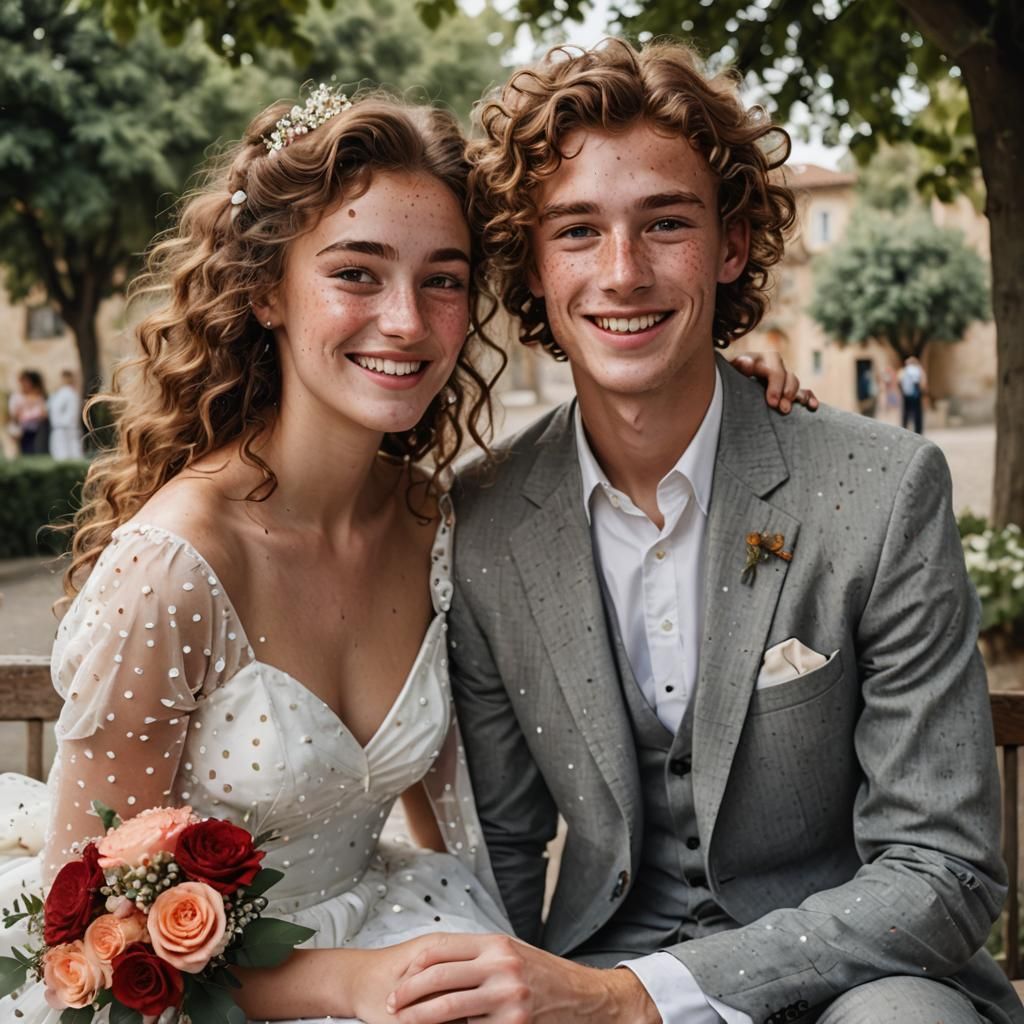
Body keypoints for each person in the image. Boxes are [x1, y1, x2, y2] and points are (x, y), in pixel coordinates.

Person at [0, 84, 806, 1024]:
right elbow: (85, 933)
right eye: (356, 273)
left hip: (404, 933)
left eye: (444, 279)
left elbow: (464, 838)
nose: (407, 322)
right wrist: (347, 984)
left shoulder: (435, 521)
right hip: (196, 1000)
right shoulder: (175, 567)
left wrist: (723, 388)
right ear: (267, 290)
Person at [384, 39, 1024, 1024]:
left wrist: (636, 995)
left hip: (856, 979)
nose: (623, 272)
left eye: (665, 223)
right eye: (577, 232)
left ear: (729, 246)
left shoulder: (881, 488)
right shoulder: (487, 521)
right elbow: (500, 850)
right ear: (532, 262)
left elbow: (941, 867)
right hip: (589, 971)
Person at [8, 370, 49, 455]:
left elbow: (43, 413)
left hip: (35, 429)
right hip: (21, 431)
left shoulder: (38, 397)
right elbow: (14, 415)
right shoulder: (16, 397)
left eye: (27, 382)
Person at [47, 370, 84, 460]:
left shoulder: (69, 393)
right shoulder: (60, 393)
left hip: (66, 429)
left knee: (68, 454)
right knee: (61, 454)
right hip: (60, 429)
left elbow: (71, 414)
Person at [899, 354, 927, 434]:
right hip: (916, 394)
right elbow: (923, 382)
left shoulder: (904, 370)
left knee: (906, 414)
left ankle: (904, 429)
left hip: (906, 395)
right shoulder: (918, 370)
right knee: (917, 414)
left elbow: (899, 381)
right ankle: (918, 431)